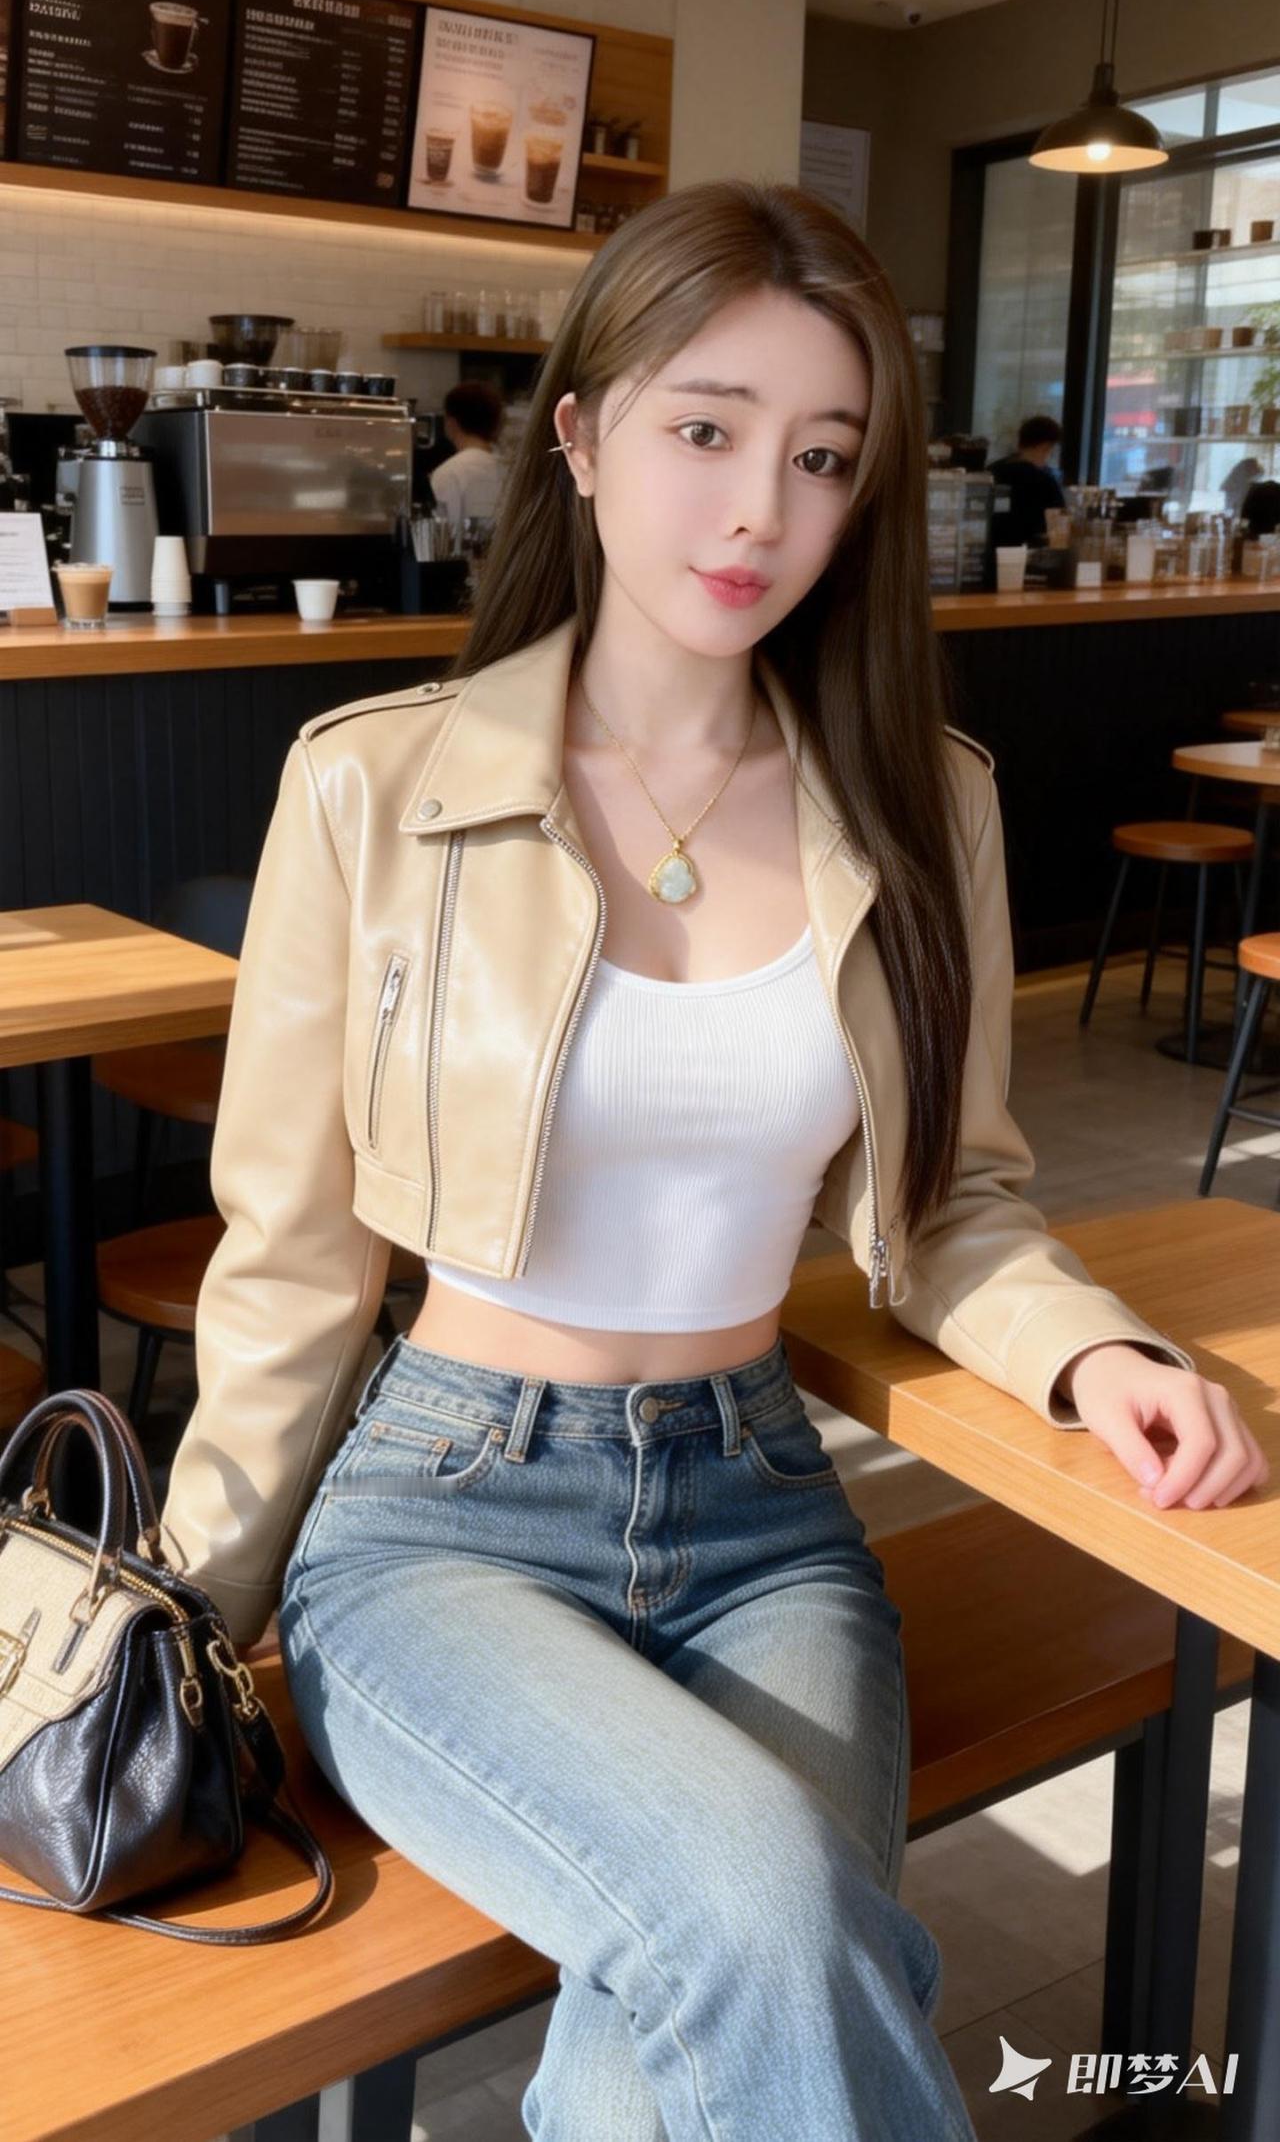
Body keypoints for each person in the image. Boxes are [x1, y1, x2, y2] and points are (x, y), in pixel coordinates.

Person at [158, 180, 1267, 2142]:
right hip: (442, 1523)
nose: (760, 508)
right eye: (705, 429)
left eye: (821, 457)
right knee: (765, 1914)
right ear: (581, 438)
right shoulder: (375, 783)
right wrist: (183, 1616)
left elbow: (953, 1205)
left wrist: (1095, 1351)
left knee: (679, 2036)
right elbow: (289, 1256)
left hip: (763, 1513)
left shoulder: (923, 803)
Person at [427, 377, 507, 536]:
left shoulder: (447, 473)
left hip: (465, 551)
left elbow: (447, 535)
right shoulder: (512, 469)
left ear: (451, 423)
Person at [990, 412, 1066, 543]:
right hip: (1029, 551)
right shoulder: (1045, 482)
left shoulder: (992, 471)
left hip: (990, 550)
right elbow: (1058, 528)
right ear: (1045, 447)